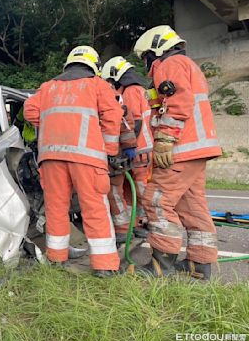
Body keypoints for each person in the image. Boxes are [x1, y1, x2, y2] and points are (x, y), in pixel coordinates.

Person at [24, 45, 123, 277]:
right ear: (93, 66)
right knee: (94, 207)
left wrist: (53, 123)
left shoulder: (48, 88)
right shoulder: (97, 85)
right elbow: (113, 115)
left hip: (50, 158)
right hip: (87, 158)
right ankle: (105, 265)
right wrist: (109, 149)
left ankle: (56, 258)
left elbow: (29, 111)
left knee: (56, 207)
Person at [133, 25, 222, 279]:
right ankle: (200, 265)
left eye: (146, 57)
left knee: (156, 200)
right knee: (192, 206)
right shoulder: (189, 66)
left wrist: (164, 139)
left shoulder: (169, 66)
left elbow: (177, 103)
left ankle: (162, 265)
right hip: (198, 149)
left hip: (181, 149)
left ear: (156, 50)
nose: (147, 64)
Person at [101, 56, 153, 242]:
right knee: (134, 191)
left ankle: (142, 224)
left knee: (136, 190)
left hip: (137, 150)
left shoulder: (129, 92)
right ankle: (137, 223)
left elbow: (132, 122)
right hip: (146, 149)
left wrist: (126, 147)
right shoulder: (140, 89)